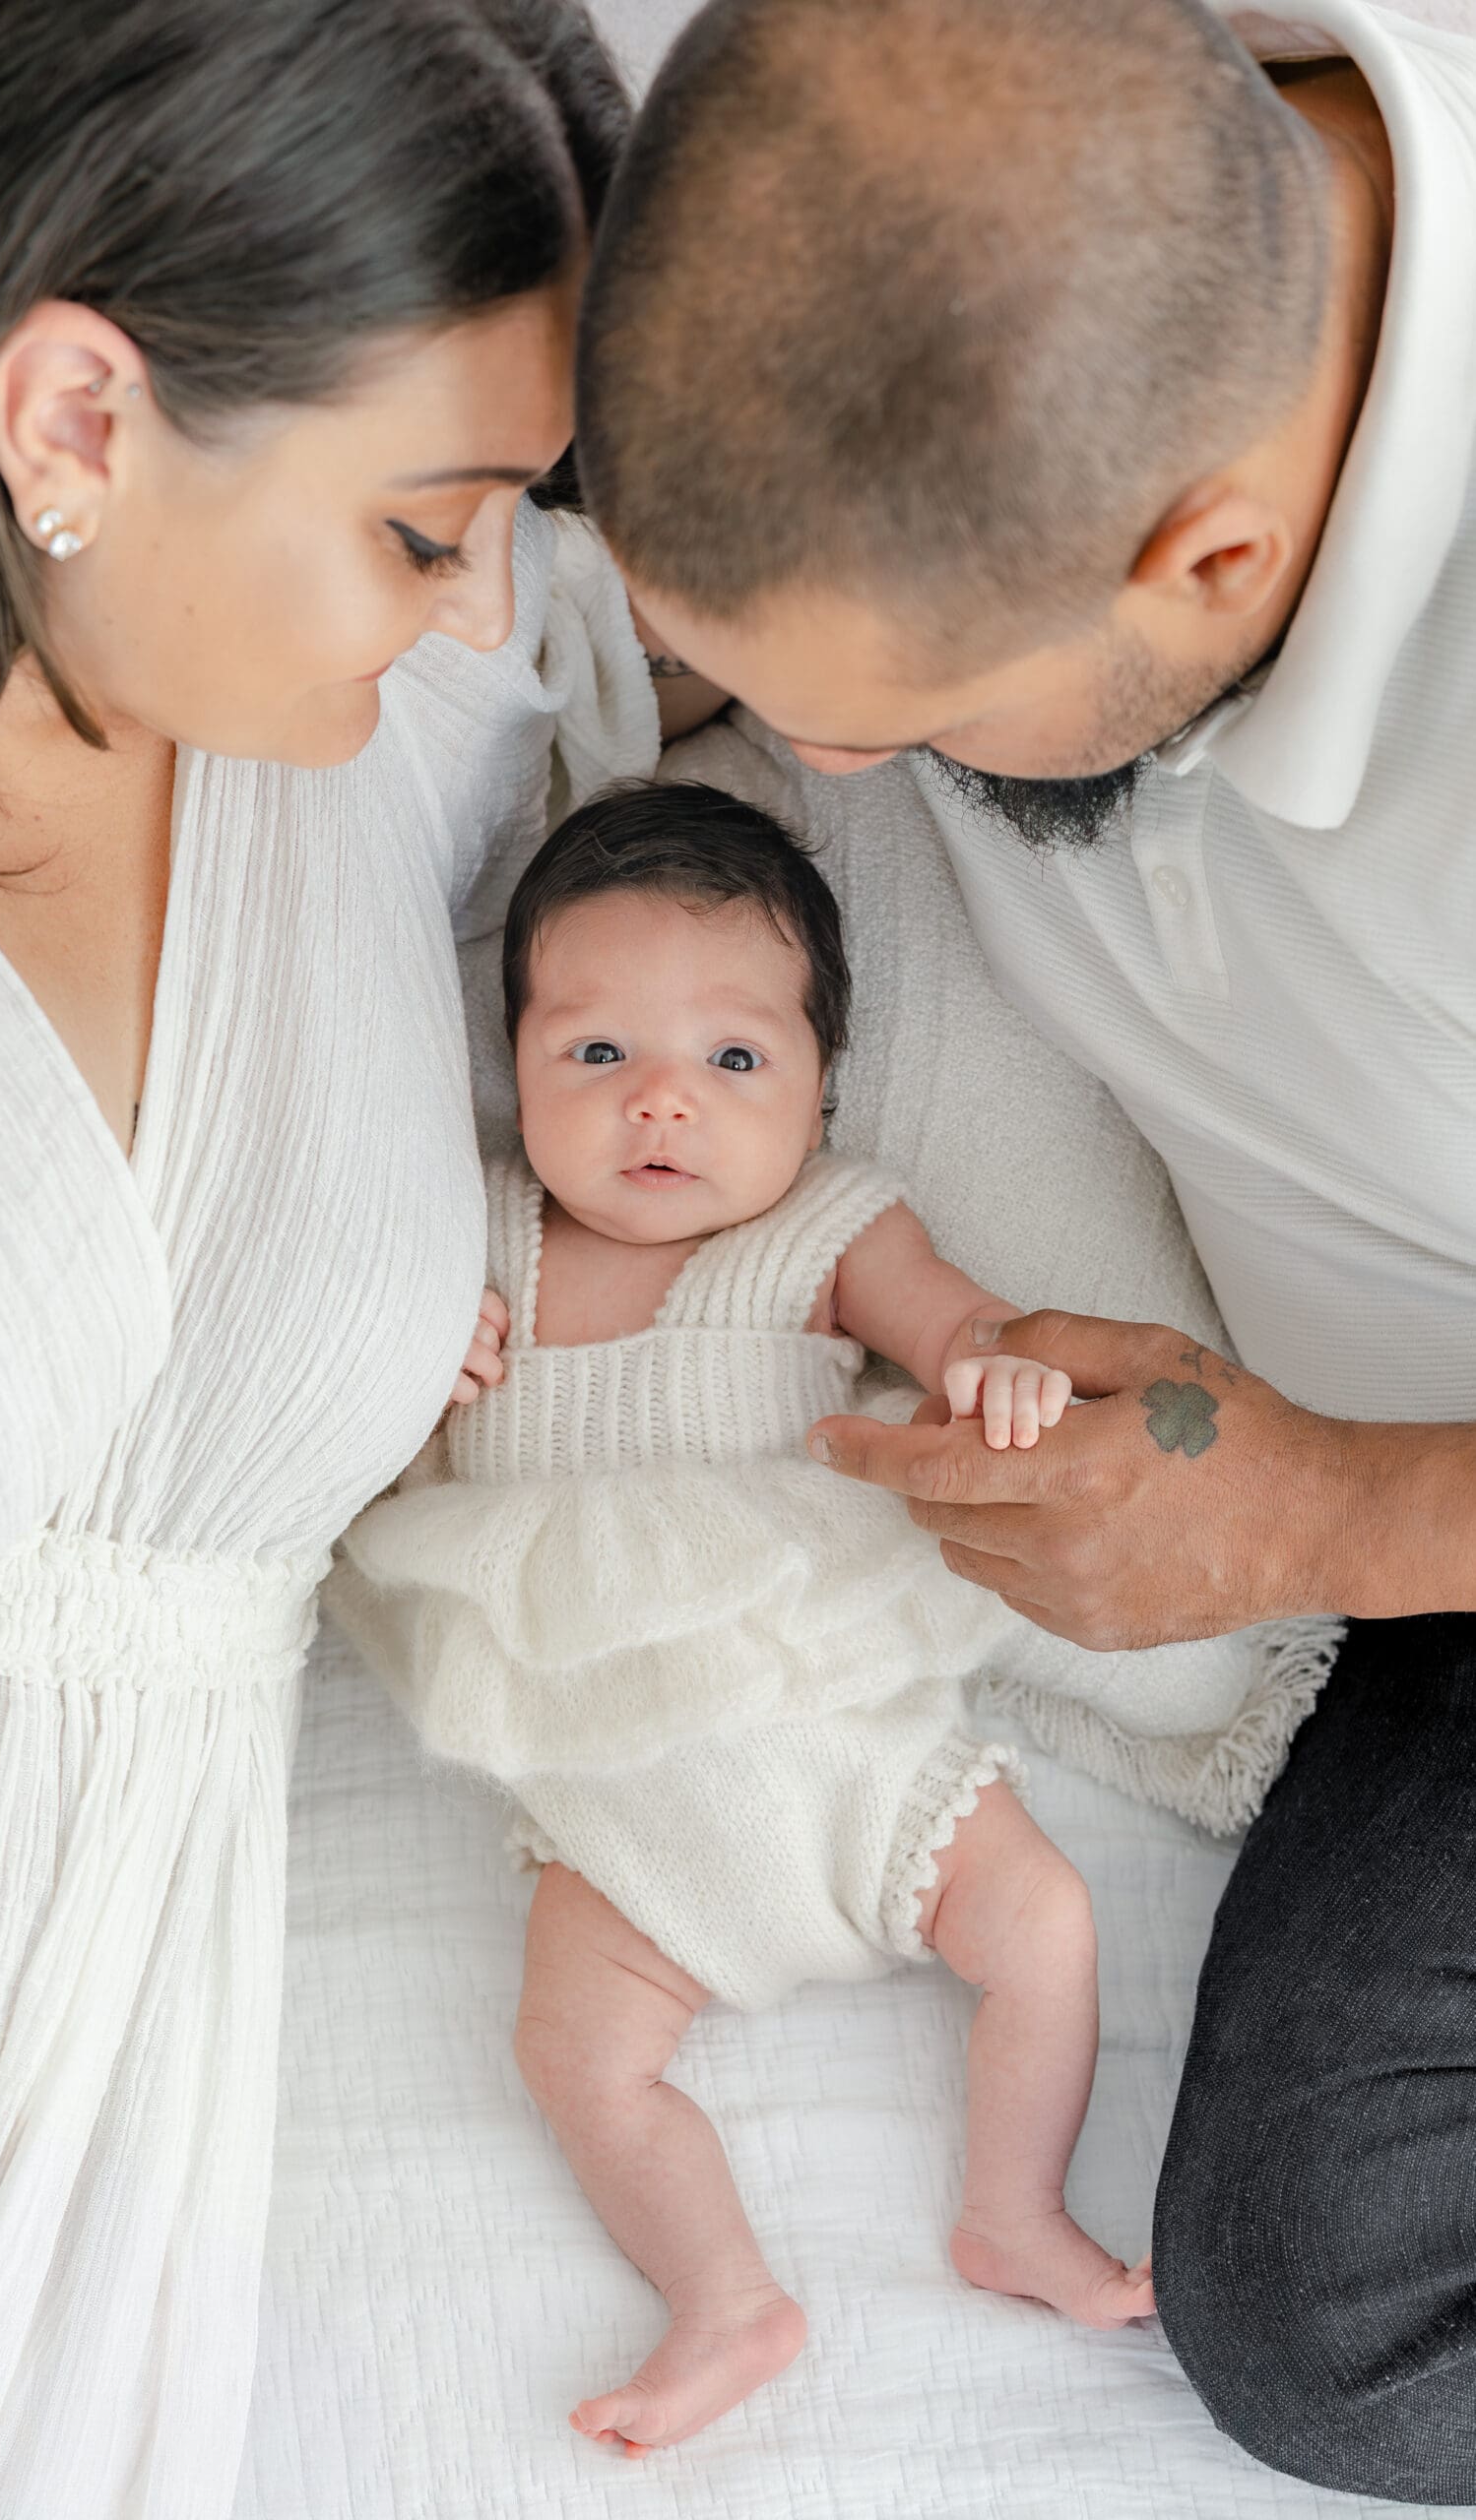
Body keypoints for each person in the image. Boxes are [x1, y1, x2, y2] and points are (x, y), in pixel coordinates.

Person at [570, 0, 1476, 2496]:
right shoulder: (993, 184)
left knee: (1344, 2325)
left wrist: (1321, 1513)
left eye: (888, 720)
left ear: (1211, 557)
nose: (805, 767)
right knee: (1314, 2273)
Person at [0, 3, 675, 2512]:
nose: (479, 585)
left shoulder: (376, 724)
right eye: (422, 523)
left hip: (59, 2264)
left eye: (514, 505)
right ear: (75, 417)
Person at [335, 781, 1155, 2462]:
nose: (660, 1102)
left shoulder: (828, 1224)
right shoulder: (476, 1234)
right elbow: (368, 1428)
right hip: (622, 1821)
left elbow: (964, 1328)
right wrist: (411, 1362)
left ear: (818, 1085)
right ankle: (722, 2298)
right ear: (512, 1066)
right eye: (595, 1052)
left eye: (731, 1057)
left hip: (854, 1758)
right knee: (576, 2057)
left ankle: (1014, 2209)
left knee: (1047, 1927)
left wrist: (996, 1370)